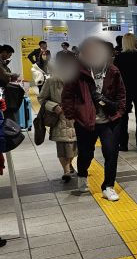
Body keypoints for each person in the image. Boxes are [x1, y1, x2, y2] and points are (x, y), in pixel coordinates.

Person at [61, 37, 126, 201]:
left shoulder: (113, 71)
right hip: (85, 121)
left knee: (111, 153)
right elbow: (67, 95)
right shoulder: (79, 72)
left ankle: (108, 186)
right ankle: (82, 176)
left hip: (110, 121)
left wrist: (119, 112)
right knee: (85, 153)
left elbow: (121, 95)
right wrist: (71, 115)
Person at [38, 52, 78, 181]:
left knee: (73, 147)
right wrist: (54, 106)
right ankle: (66, 171)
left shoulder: (79, 79)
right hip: (59, 117)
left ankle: (70, 164)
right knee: (62, 146)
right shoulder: (52, 81)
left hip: (76, 117)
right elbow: (41, 98)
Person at [114, 33, 137, 152]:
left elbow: (115, 77)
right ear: (135, 42)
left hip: (123, 91)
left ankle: (123, 144)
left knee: (123, 119)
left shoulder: (119, 58)